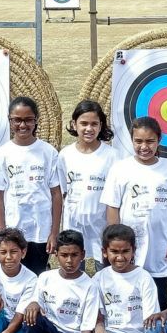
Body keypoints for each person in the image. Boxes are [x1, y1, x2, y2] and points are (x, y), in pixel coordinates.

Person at [104, 117, 167, 308]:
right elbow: (113, 207)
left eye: (150, 141)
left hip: (159, 246)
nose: (144, 146)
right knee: (128, 294)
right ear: (131, 140)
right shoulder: (120, 169)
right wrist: (116, 242)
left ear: (159, 140)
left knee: (158, 296)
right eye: (138, 141)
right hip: (129, 246)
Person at [17, 230, 103, 333]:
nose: (69, 260)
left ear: (83, 255)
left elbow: (87, 325)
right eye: (64, 255)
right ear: (56, 254)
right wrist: (33, 303)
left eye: (74, 255)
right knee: (30, 316)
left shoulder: (90, 286)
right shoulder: (45, 277)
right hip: (51, 331)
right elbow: (35, 301)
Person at [0, 96, 64, 274]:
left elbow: (56, 194)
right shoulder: (1, 155)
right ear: (9, 120)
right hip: (13, 231)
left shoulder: (48, 152)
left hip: (41, 232)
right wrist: (2, 234)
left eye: (28, 120)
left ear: (36, 120)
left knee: (36, 277)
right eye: (17, 120)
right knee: (12, 277)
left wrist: (54, 233)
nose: (22, 125)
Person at [89, 224, 161, 333]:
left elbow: (151, 323)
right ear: (105, 252)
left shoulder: (144, 278)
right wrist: (99, 328)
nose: (120, 257)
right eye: (114, 252)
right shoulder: (99, 278)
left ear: (133, 251)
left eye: (125, 251)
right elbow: (97, 311)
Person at [59, 100, 120, 271]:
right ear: (74, 124)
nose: (89, 129)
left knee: (105, 273)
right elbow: (63, 193)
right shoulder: (65, 155)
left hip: (101, 226)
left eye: (94, 124)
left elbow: (115, 197)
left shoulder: (112, 156)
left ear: (101, 125)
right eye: (84, 123)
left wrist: (112, 229)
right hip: (74, 226)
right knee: (76, 274)